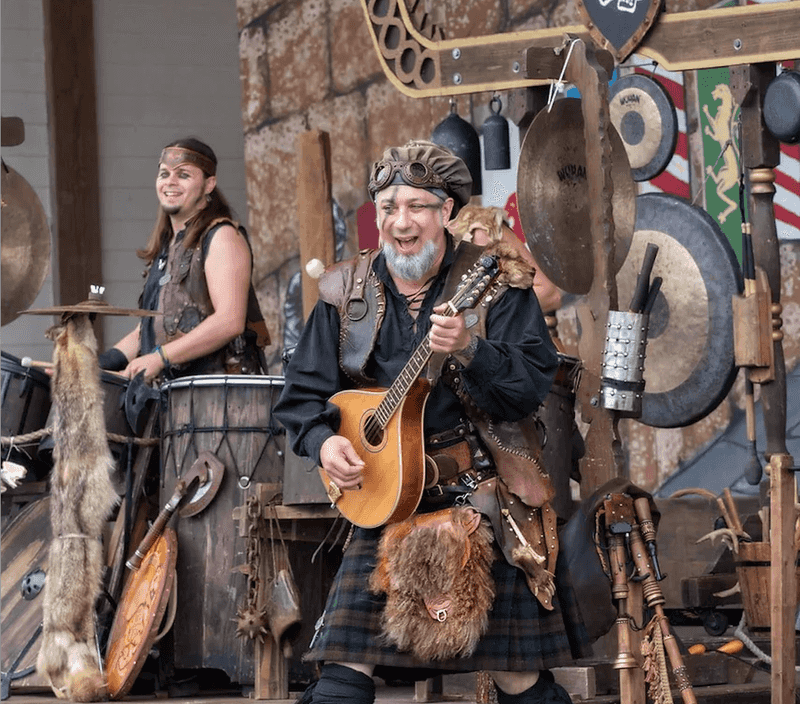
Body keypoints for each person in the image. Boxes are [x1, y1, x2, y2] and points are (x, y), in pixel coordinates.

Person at [274, 140, 589, 704]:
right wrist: (322, 443)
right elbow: (300, 397)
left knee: (518, 678)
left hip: (479, 500)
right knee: (341, 677)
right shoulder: (344, 290)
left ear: (446, 211)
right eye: (388, 206)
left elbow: (527, 392)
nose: (401, 222)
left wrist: (471, 348)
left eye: (417, 206)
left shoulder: (495, 284)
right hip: (383, 500)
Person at [98, 137, 268, 380]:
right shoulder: (167, 246)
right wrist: (94, 366)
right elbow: (145, 332)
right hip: (174, 395)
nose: (170, 182)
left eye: (183, 175)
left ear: (209, 184)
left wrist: (160, 357)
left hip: (221, 394)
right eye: (164, 174)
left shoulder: (222, 236)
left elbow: (229, 320)